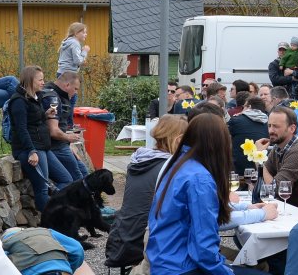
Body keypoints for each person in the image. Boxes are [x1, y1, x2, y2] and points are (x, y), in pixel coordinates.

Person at [146, 114, 263, 275]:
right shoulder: (200, 178)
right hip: (181, 267)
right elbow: (203, 248)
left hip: (163, 259)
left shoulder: (178, 163)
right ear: (219, 144)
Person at [105, 115, 187, 269]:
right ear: (178, 139)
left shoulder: (139, 160)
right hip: (146, 243)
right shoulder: (170, 168)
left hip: (120, 237)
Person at [8, 65, 71, 211]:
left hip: (43, 147)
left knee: (65, 179)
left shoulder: (35, 97)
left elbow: (32, 120)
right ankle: (51, 221)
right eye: (40, 80)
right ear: (30, 81)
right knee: (42, 188)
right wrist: (31, 151)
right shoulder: (18, 101)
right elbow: (21, 128)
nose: (43, 82)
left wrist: (45, 114)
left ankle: (57, 210)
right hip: (30, 149)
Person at [258, 106, 298, 207]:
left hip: (297, 211)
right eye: (269, 125)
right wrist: (259, 158)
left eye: (276, 126)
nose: (271, 130)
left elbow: (276, 189)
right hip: (284, 207)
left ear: (292, 128)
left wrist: (259, 158)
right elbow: (262, 180)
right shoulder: (278, 147)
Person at [45, 71, 88, 180]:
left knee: (84, 172)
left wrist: (68, 145)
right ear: (67, 85)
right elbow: (53, 131)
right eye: (75, 89)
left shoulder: (60, 95)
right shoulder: (52, 99)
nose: (76, 93)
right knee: (78, 179)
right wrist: (68, 138)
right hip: (55, 147)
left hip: (61, 145)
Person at [2, 227, 87, 275]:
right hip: (61, 271)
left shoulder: (6, 242)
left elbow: (1, 264)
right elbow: (78, 250)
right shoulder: (45, 232)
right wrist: (67, 268)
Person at [228, 97, 269, 176]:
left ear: (249, 107)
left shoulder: (236, 120)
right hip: (263, 169)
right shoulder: (269, 122)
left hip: (239, 169)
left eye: (243, 107)